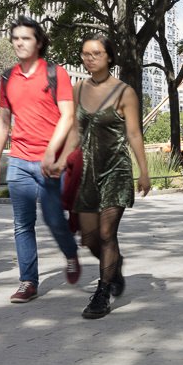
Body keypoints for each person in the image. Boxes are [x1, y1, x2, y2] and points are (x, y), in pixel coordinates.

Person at [0, 15, 81, 304]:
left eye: (25, 38)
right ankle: (28, 281)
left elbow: (68, 115)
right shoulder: (7, 78)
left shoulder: (56, 73)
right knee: (22, 224)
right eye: (15, 38)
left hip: (50, 163)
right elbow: (3, 121)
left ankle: (70, 254)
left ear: (38, 42)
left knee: (53, 218)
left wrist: (53, 151)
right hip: (18, 161)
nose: (19, 43)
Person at [67, 34, 151, 320]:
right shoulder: (77, 89)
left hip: (116, 170)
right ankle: (114, 264)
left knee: (106, 233)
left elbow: (134, 133)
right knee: (89, 238)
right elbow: (72, 131)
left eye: (96, 53)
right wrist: (58, 159)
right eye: (85, 54)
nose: (89, 58)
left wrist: (144, 171)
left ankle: (102, 293)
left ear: (110, 57)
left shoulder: (124, 92)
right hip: (86, 173)